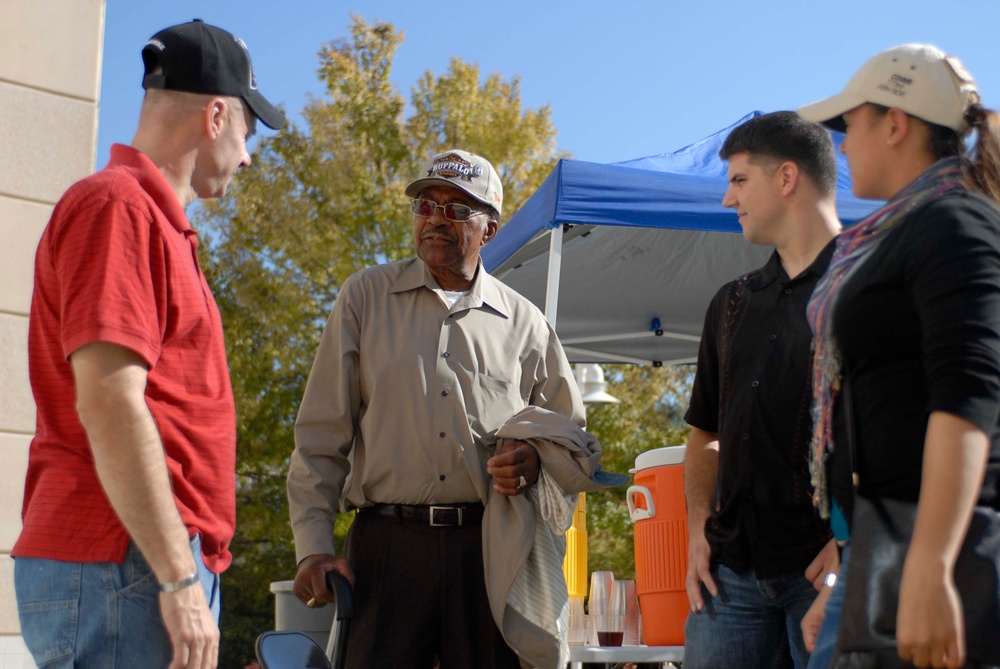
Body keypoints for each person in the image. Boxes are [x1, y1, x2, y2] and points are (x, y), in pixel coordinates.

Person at [12, 19, 284, 669]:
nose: (248, 156)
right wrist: (178, 579)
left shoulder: (150, 221)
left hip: (136, 567)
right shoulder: (120, 208)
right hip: (125, 566)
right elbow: (110, 401)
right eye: (249, 131)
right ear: (216, 115)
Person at [287, 149, 620, 669]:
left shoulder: (527, 324)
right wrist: (312, 545)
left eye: (458, 210)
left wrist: (533, 463)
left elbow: (574, 445)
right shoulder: (364, 298)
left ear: (489, 230)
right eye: (426, 204)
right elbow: (319, 437)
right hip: (385, 552)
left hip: (487, 552)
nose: (437, 219)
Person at [798, 44, 1000, 669]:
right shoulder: (904, 231)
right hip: (888, 545)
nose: (842, 145)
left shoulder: (955, 223)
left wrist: (932, 565)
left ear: (895, 123)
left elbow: (968, 397)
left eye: (849, 124)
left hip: (941, 545)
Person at [682, 111, 841, 669]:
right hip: (728, 583)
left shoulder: (870, 289)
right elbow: (705, 433)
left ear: (787, 177)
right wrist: (697, 526)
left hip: (826, 576)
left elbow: (905, 433)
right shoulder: (731, 303)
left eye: (739, 180)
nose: (728, 199)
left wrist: (854, 543)